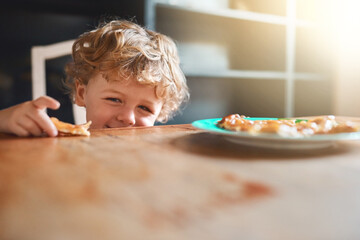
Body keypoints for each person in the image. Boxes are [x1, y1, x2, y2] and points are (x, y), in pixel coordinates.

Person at [0, 19, 189, 137]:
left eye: (144, 108)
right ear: (82, 93)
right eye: (114, 99)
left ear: (160, 112)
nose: (127, 118)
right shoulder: (53, 139)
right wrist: (6, 119)